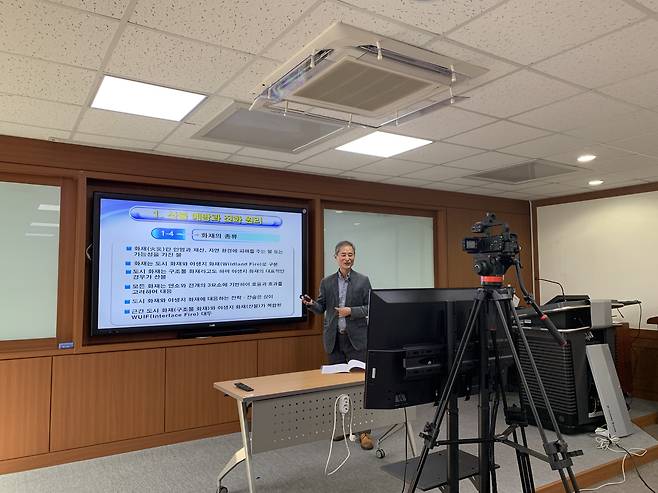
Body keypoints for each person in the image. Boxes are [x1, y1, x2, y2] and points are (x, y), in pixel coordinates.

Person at [302, 240, 373, 450]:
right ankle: (342, 427)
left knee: (360, 386)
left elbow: (371, 307)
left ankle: (364, 432)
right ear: (336, 257)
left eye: (351, 254)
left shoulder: (363, 281)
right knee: (339, 386)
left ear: (354, 257)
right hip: (335, 340)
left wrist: (352, 311)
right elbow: (321, 307)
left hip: (357, 340)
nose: (347, 258)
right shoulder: (327, 282)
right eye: (343, 254)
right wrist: (311, 304)